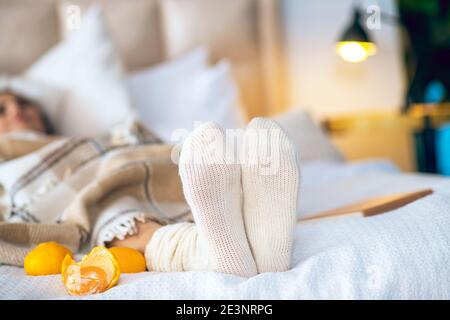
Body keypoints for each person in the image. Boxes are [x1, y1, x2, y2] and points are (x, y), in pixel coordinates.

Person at [0, 90, 300, 277]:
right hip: (86, 189)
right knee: (108, 204)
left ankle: (249, 243)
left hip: (134, 163)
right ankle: (209, 248)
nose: (17, 110)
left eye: (23, 102)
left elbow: (146, 149)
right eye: (3, 108)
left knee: (135, 171)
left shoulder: (96, 139)